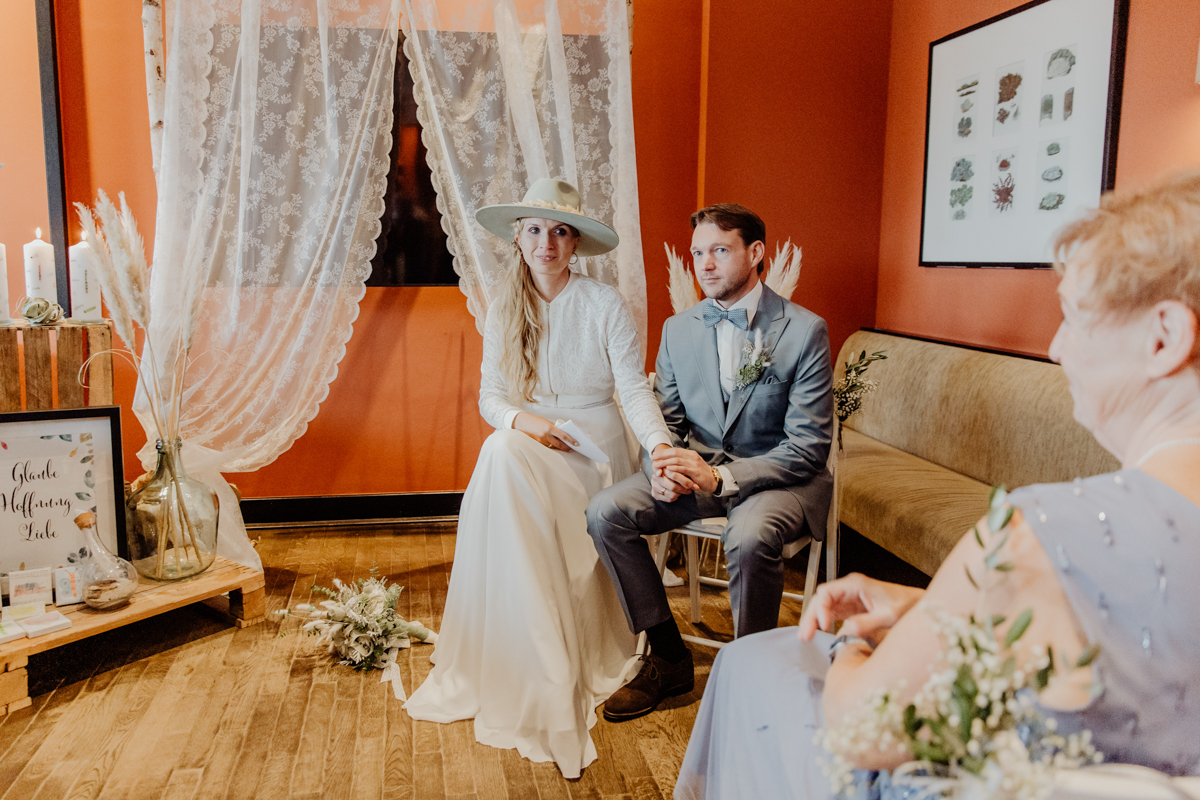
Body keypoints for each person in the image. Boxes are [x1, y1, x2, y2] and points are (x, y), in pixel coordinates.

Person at [674, 170, 1200, 799]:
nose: (1057, 349)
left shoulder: (1041, 535)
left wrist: (851, 648)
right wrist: (930, 608)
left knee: (747, 668)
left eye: (1076, 318)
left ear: (1164, 338)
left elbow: (862, 729)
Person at [404, 179, 674, 778]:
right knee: (501, 452)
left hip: (595, 447)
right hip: (531, 439)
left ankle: (556, 661)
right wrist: (528, 422)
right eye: (534, 230)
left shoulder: (604, 306)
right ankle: (531, 655)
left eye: (558, 231)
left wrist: (658, 444)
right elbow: (491, 397)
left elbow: (631, 388)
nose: (546, 242)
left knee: (500, 458)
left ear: (574, 242)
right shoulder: (504, 307)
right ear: (517, 240)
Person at [587, 203, 835, 723]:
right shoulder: (680, 329)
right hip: (700, 473)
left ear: (756, 253)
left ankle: (753, 676)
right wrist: (665, 466)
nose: (705, 264)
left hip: (780, 479)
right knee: (607, 511)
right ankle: (670, 657)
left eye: (720, 250)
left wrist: (722, 476)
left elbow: (808, 446)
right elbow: (672, 423)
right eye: (698, 253)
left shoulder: (804, 330)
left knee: (748, 535)